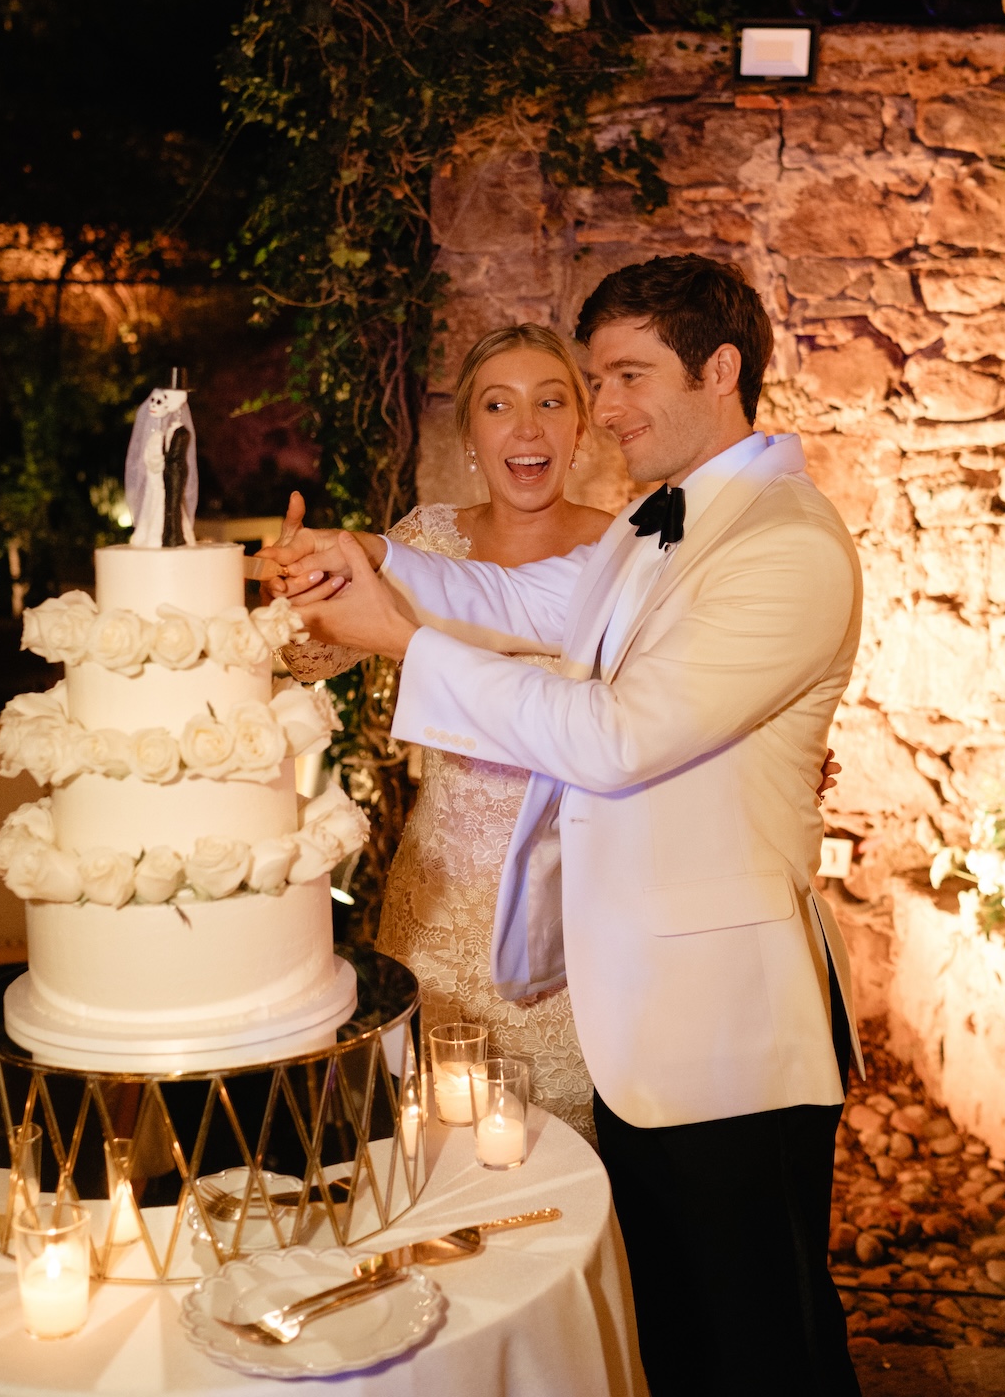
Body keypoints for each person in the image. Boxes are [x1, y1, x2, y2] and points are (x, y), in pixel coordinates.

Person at [267, 253, 863, 1397]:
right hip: (631, 1010)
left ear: (721, 368)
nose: (608, 410)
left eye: (628, 377)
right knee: (674, 1329)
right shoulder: (659, 525)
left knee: (761, 1341)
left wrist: (403, 642)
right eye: (602, 378)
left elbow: (617, 734)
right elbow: (524, 598)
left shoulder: (785, 544)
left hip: (725, 1027)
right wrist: (377, 560)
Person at [279, 322, 613, 1137]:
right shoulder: (426, 540)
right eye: (498, 405)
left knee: (571, 1153)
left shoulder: (624, 550)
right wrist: (299, 594)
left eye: (550, 402)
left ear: (580, 428)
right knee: (437, 1144)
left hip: (580, 901)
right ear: (471, 434)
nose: (526, 426)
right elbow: (319, 652)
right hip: (436, 904)